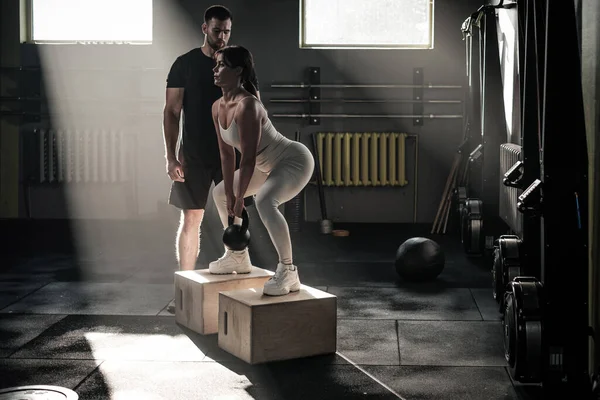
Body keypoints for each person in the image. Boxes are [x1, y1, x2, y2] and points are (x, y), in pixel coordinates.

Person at [208, 45, 315, 296]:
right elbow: (226, 154)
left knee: (265, 201)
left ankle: (288, 271)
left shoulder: (249, 105)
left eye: (221, 64)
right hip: (263, 166)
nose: (215, 69)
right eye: (215, 64)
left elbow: (246, 159)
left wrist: (240, 198)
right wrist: (233, 197)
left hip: (292, 160)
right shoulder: (217, 107)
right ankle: (237, 256)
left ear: (237, 71)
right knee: (221, 193)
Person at [163, 5, 259, 276]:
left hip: (231, 152)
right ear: (205, 28)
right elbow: (171, 111)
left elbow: (256, 109)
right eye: (217, 30)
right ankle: (185, 285)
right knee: (191, 217)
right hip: (194, 153)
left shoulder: (240, 65)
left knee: (236, 216)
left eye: (227, 31)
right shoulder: (185, 64)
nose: (222, 37)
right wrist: (171, 156)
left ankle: (236, 280)